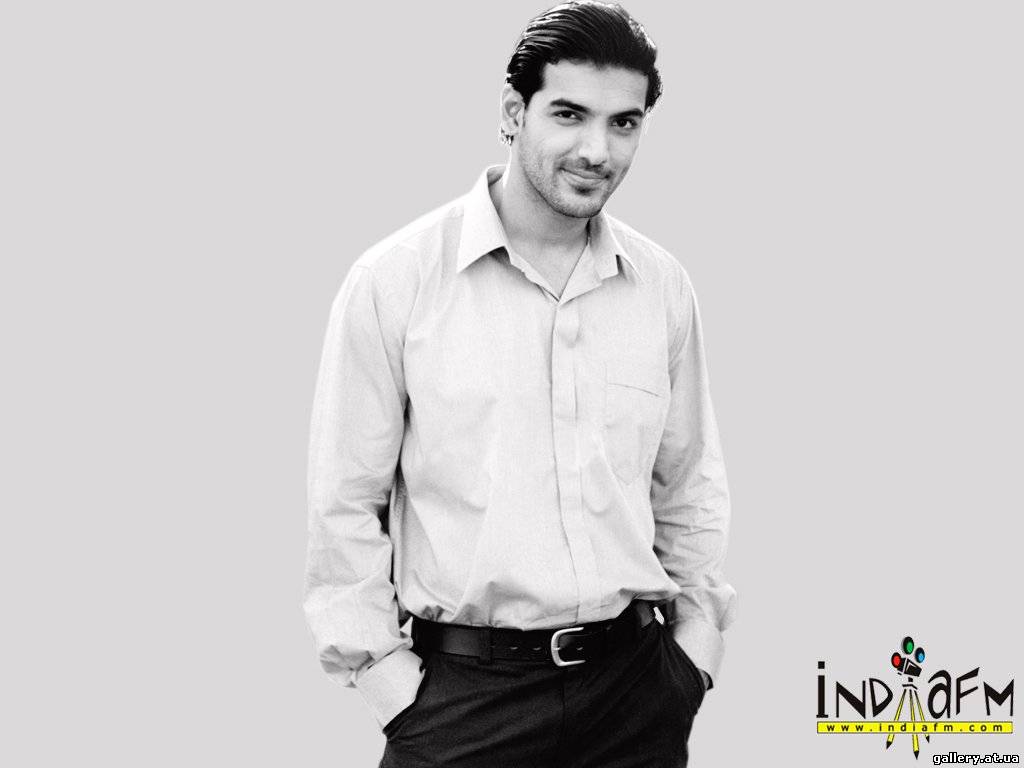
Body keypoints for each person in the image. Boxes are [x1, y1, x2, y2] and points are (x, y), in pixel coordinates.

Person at [304, 2, 736, 766]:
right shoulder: (396, 282)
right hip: (463, 703)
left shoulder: (662, 287)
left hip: (635, 694)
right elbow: (343, 503)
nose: (597, 150)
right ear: (513, 112)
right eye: (569, 114)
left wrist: (693, 653)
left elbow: (689, 481)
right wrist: (386, 682)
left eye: (624, 123)